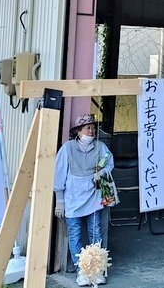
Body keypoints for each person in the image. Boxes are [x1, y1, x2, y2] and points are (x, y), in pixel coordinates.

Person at [54, 113, 113, 286]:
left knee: (96, 232)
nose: (91, 131)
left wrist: (102, 172)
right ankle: (81, 270)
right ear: (78, 131)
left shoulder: (100, 146)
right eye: (87, 128)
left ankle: (97, 269)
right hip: (72, 196)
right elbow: (59, 174)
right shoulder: (68, 148)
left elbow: (109, 162)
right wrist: (59, 201)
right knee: (75, 233)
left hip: (93, 195)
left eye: (93, 128)